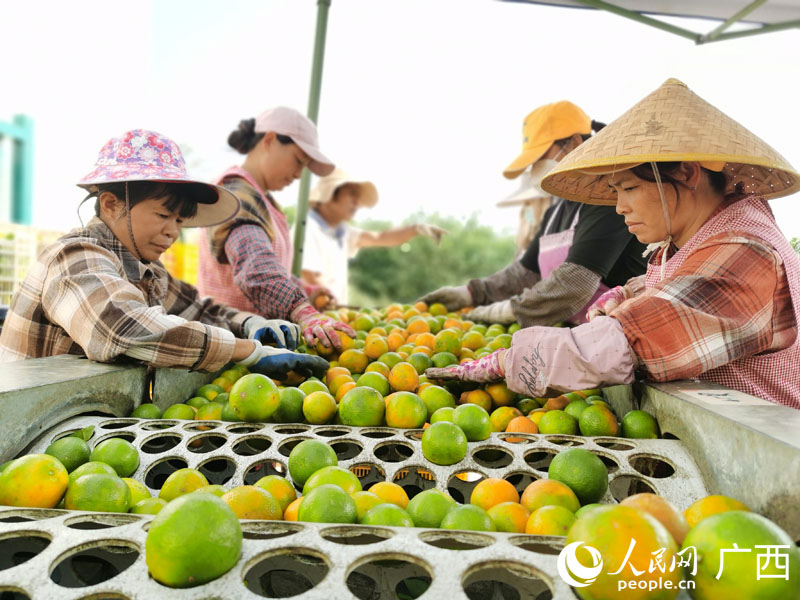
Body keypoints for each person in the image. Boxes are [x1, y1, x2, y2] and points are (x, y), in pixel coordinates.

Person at [426, 79, 800, 408]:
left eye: (630, 188)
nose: (619, 207)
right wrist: (626, 295)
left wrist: (509, 360)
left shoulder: (746, 249)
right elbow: (669, 289)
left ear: (687, 172)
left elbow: (629, 341)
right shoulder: (689, 238)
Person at [0, 130, 328, 381]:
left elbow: (199, 310)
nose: (173, 232)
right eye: (162, 216)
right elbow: (122, 328)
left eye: (180, 221)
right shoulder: (74, 257)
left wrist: (252, 324)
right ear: (111, 204)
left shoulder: (147, 271)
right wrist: (247, 351)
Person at [420, 101, 647, 328]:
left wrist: (509, 310)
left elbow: (574, 283)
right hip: (573, 335)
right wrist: (471, 293)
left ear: (574, 143)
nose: (534, 168)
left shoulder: (608, 198)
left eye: (540, 157)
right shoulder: (556, 210)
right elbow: (524, 274)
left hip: (619, 336)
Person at [196, 107, 355, 350]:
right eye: (299, 161)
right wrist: (301, 310)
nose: (300, 175)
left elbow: (268, 262)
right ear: (269, 140)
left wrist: (303, 290)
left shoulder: (260, 198)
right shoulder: (238, 195)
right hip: (235, 344)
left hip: (258, 344)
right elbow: (255, 267)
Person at [301, 168, 446, 304]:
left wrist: (417, 229)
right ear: (330, 194)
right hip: (313, 320)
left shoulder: (341, 231)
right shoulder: (307, 230)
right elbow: (309, 277)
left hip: (331, 317)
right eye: (352, 194)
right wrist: (337, 310)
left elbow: (380, 238)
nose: (357, 202)